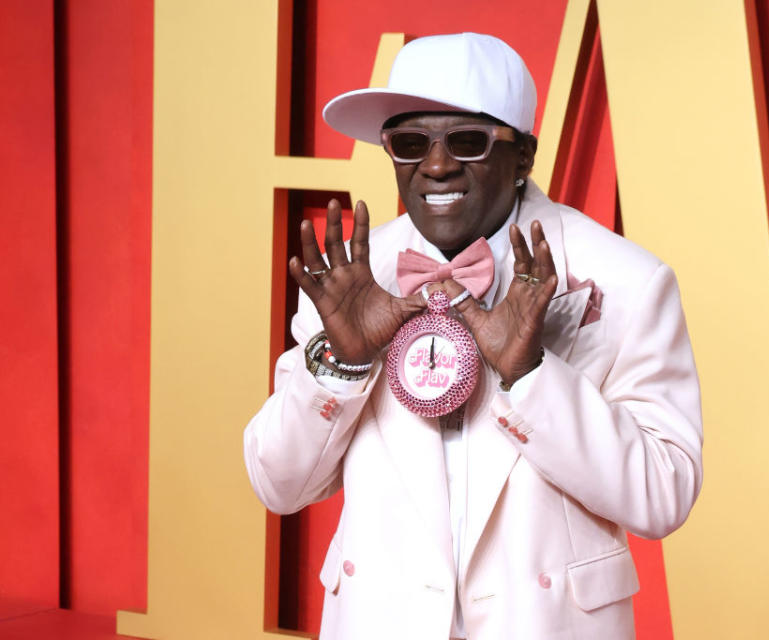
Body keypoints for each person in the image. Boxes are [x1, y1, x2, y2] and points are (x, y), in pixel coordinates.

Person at [244, 32, 703, 640]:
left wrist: (534, 377)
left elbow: (662, 495)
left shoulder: (626, 281)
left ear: (525, 157)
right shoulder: (354, 279)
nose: (436, 165)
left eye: (468, 139)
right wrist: (341, 363)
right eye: (410, 142)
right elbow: (278, 484)